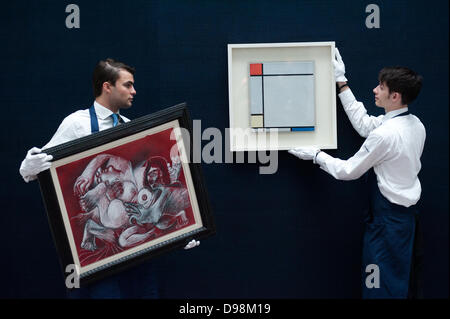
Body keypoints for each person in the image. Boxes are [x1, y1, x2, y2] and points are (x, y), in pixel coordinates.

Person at [19, 58, 200, 298]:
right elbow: (38, 168)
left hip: (136, 253)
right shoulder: (76, 124)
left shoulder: (131, 127)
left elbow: (145, 191)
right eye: (128, 85)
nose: (134, 91)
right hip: (101, 260)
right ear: (107, 86)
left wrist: (178, 233)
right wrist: (28, 165)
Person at [289, 48, 425, 299]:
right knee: (399, 281)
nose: (375, 90)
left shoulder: (386, 135)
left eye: (381, 87)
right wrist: (341, 82)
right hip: (405, 220)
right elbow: (364, 125)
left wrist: (316, 155)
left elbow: (348, 171)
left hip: (387, 223)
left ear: (394, 96)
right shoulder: (415, 125)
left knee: (380, 287)